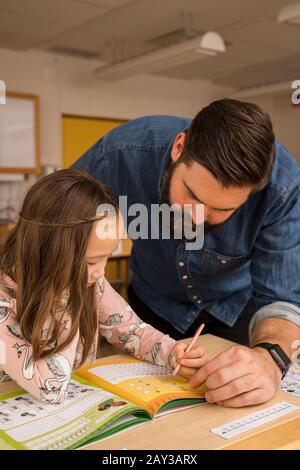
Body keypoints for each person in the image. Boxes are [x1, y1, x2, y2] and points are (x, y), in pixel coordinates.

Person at [72, 99, 300, 407]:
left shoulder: (283, 189)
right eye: (191, 195)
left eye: (221, 210)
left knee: (229, 398)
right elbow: (54, 226)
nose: (195, 218)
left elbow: (281, 297)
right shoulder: (120, 155)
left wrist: (268, 358)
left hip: (233, 313)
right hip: (149, 309)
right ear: (180, 147)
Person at [0, 170, 207, 404]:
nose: (101, 272)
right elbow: (50, 388)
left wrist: (171, 351)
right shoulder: (5, 302)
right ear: (50, 252)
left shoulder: (89, 280)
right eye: (91, 262)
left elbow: (130, 330)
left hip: (76, 407)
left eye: (106, 257)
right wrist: (65, 296)